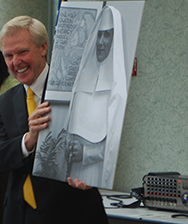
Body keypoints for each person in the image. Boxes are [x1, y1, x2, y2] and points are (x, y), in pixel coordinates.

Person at [0, 15, 109, 224]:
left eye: (23, 52)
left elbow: (102, 143)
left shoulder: (79, 90)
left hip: (70, 213)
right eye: (8, 55)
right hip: (19, 216)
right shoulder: (5, 101)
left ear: (43, 48)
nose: (16, 62)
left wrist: (93, 174)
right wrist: (28, 140)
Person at [65, 6, 127, 189]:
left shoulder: (117, 86)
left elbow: (112, 142)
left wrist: (86, 153)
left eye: (106, 35)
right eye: (98, 35)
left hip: (95, 172)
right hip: (72, 171)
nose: (101, 42)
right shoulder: (81, 79)